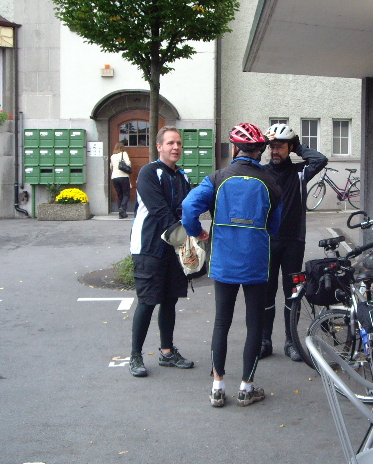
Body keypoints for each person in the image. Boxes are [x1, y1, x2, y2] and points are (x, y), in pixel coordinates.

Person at [182, 123, 282, 408]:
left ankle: (217, 387)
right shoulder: (271, 183)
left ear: (235, 148)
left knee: (221, 322)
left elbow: (189, 208)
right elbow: (274, 227)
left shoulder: (217, 178)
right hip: (256, 261)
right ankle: (246, 388)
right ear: (259, 151)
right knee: (255, 323)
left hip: (224, 259)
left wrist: (197, 231)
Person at [128, 126, 195, 378]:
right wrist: (187, 237)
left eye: (178, 143)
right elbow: (160, 211)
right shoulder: (149, 172)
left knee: (169, 300)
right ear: (159, 147)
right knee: (147, 301)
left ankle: (167, 352)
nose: (175, 147)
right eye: (170, 143)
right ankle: (135, 355)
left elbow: (187, 210)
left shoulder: (182, 176)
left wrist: (195, 230)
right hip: (148, 248)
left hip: (173, 249)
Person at [260, 123, 327, 361]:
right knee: (266, 293)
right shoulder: (262, 172)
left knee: (293, 294)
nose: (274, 151)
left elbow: (320, 159)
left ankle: (291, 342)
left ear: (289, 148)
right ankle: (264, 340)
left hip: (293, 242)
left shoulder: (300, 172)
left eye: (280, 147)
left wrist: (298, 145)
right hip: (268, 241)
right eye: (272, 147)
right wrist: (262, 145)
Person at [110, 141, 132, 219]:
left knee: (120, 195)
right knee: (126, 194)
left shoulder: (112, 156)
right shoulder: (124, 154)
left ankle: (121, 214)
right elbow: (128, 163)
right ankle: (122, 208)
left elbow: (111, 167)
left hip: (114, 177)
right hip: (123, 176)